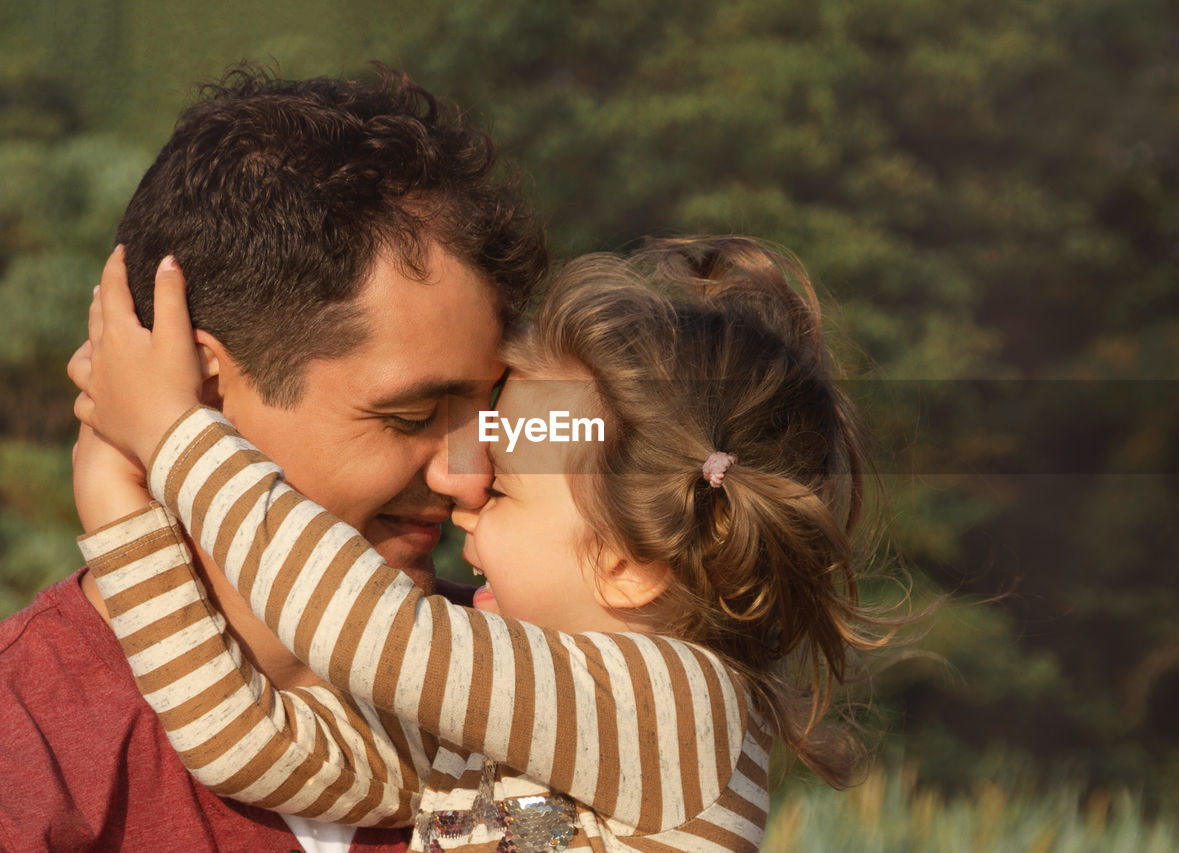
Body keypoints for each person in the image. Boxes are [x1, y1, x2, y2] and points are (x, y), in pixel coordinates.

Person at [70, 236, 891, 852]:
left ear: (627, 565)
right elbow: (248, 742)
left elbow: (364, 631)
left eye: (500, 488)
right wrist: (117, 493)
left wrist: (173, 432)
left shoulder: (682, 708)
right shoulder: (498, 729)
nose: (464, 497)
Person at [0, 65, 546, 852]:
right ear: (199, 390)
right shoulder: (31, 750)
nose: (471, 474)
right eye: (413, 413)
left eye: (485, 413)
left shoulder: (522, 690)